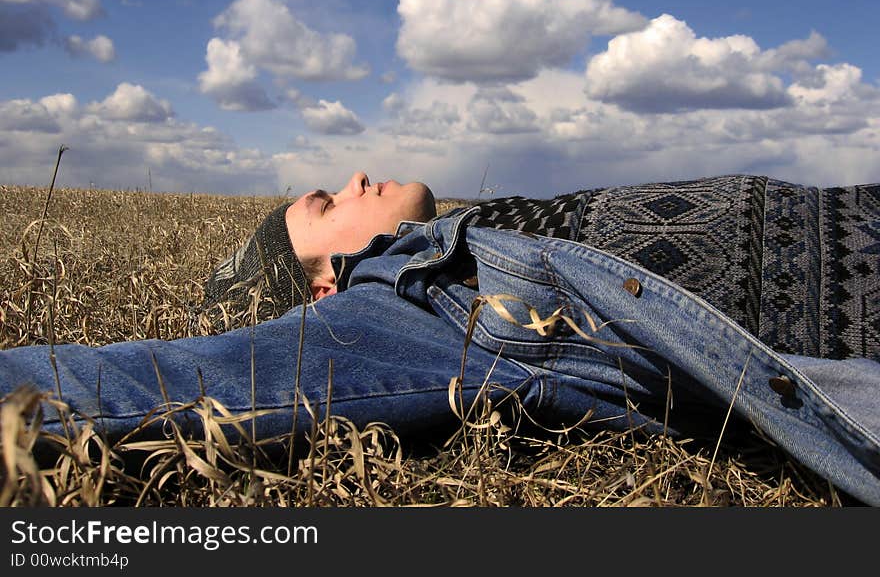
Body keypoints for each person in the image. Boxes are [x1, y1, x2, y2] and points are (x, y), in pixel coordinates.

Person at [2, 171, 880, 505]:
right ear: (321, 282)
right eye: (324, 205)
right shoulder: (400, 304)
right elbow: (159, 380)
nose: (350, 177)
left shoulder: (475, 233)